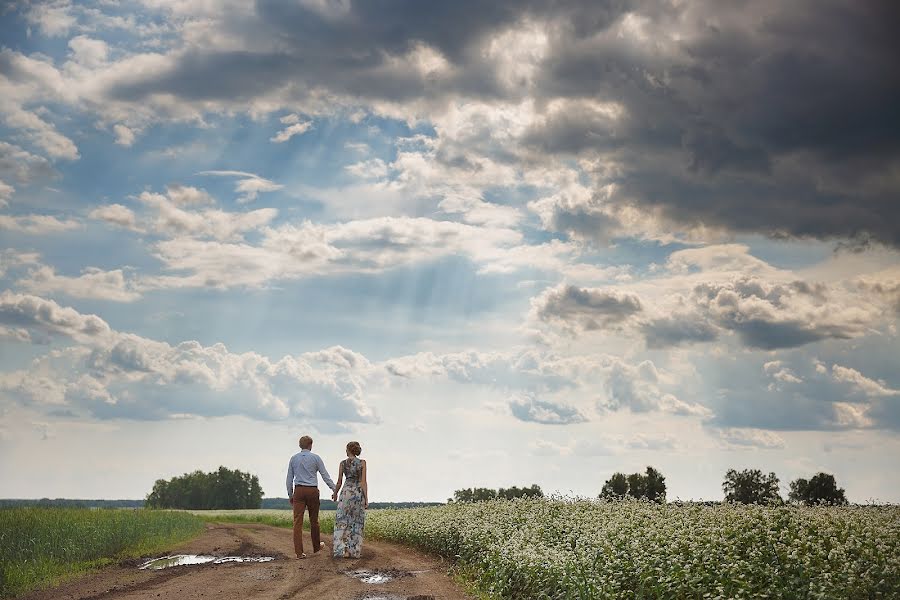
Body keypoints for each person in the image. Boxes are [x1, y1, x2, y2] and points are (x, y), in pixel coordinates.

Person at [286, 435, 335, 559]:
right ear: (310, 445)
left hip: (299, 490)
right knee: (314, 520)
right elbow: (325, 476)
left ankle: (299, 553)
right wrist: (334, 489)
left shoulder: (293, 458)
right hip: (312, 490)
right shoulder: (316, 458)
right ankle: (316, 547)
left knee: (297, 522)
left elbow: (289, 479)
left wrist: (291, 494)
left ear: (300, 445)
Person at [331, 440, 368, 558]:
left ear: (348, 450)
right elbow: (363, 482)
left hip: (346, 493)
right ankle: (354, 551)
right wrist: (366, 498)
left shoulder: (342, 463)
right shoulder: (362, 463)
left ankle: (342, 550)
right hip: (357, 493)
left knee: (342, 521)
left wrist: (335, 493)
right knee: (356, 522)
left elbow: (339, 482)